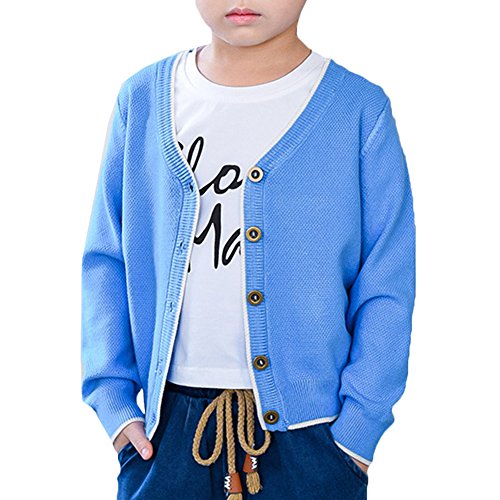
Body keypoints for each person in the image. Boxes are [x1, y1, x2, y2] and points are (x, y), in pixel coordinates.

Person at [81, 1, 416, 498]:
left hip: (313, 437)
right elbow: (107, 259)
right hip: (164, 433)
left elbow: (386, 280)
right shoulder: (143, 100)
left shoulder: (358, 110)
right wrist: (113, 402)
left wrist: (357, 433)